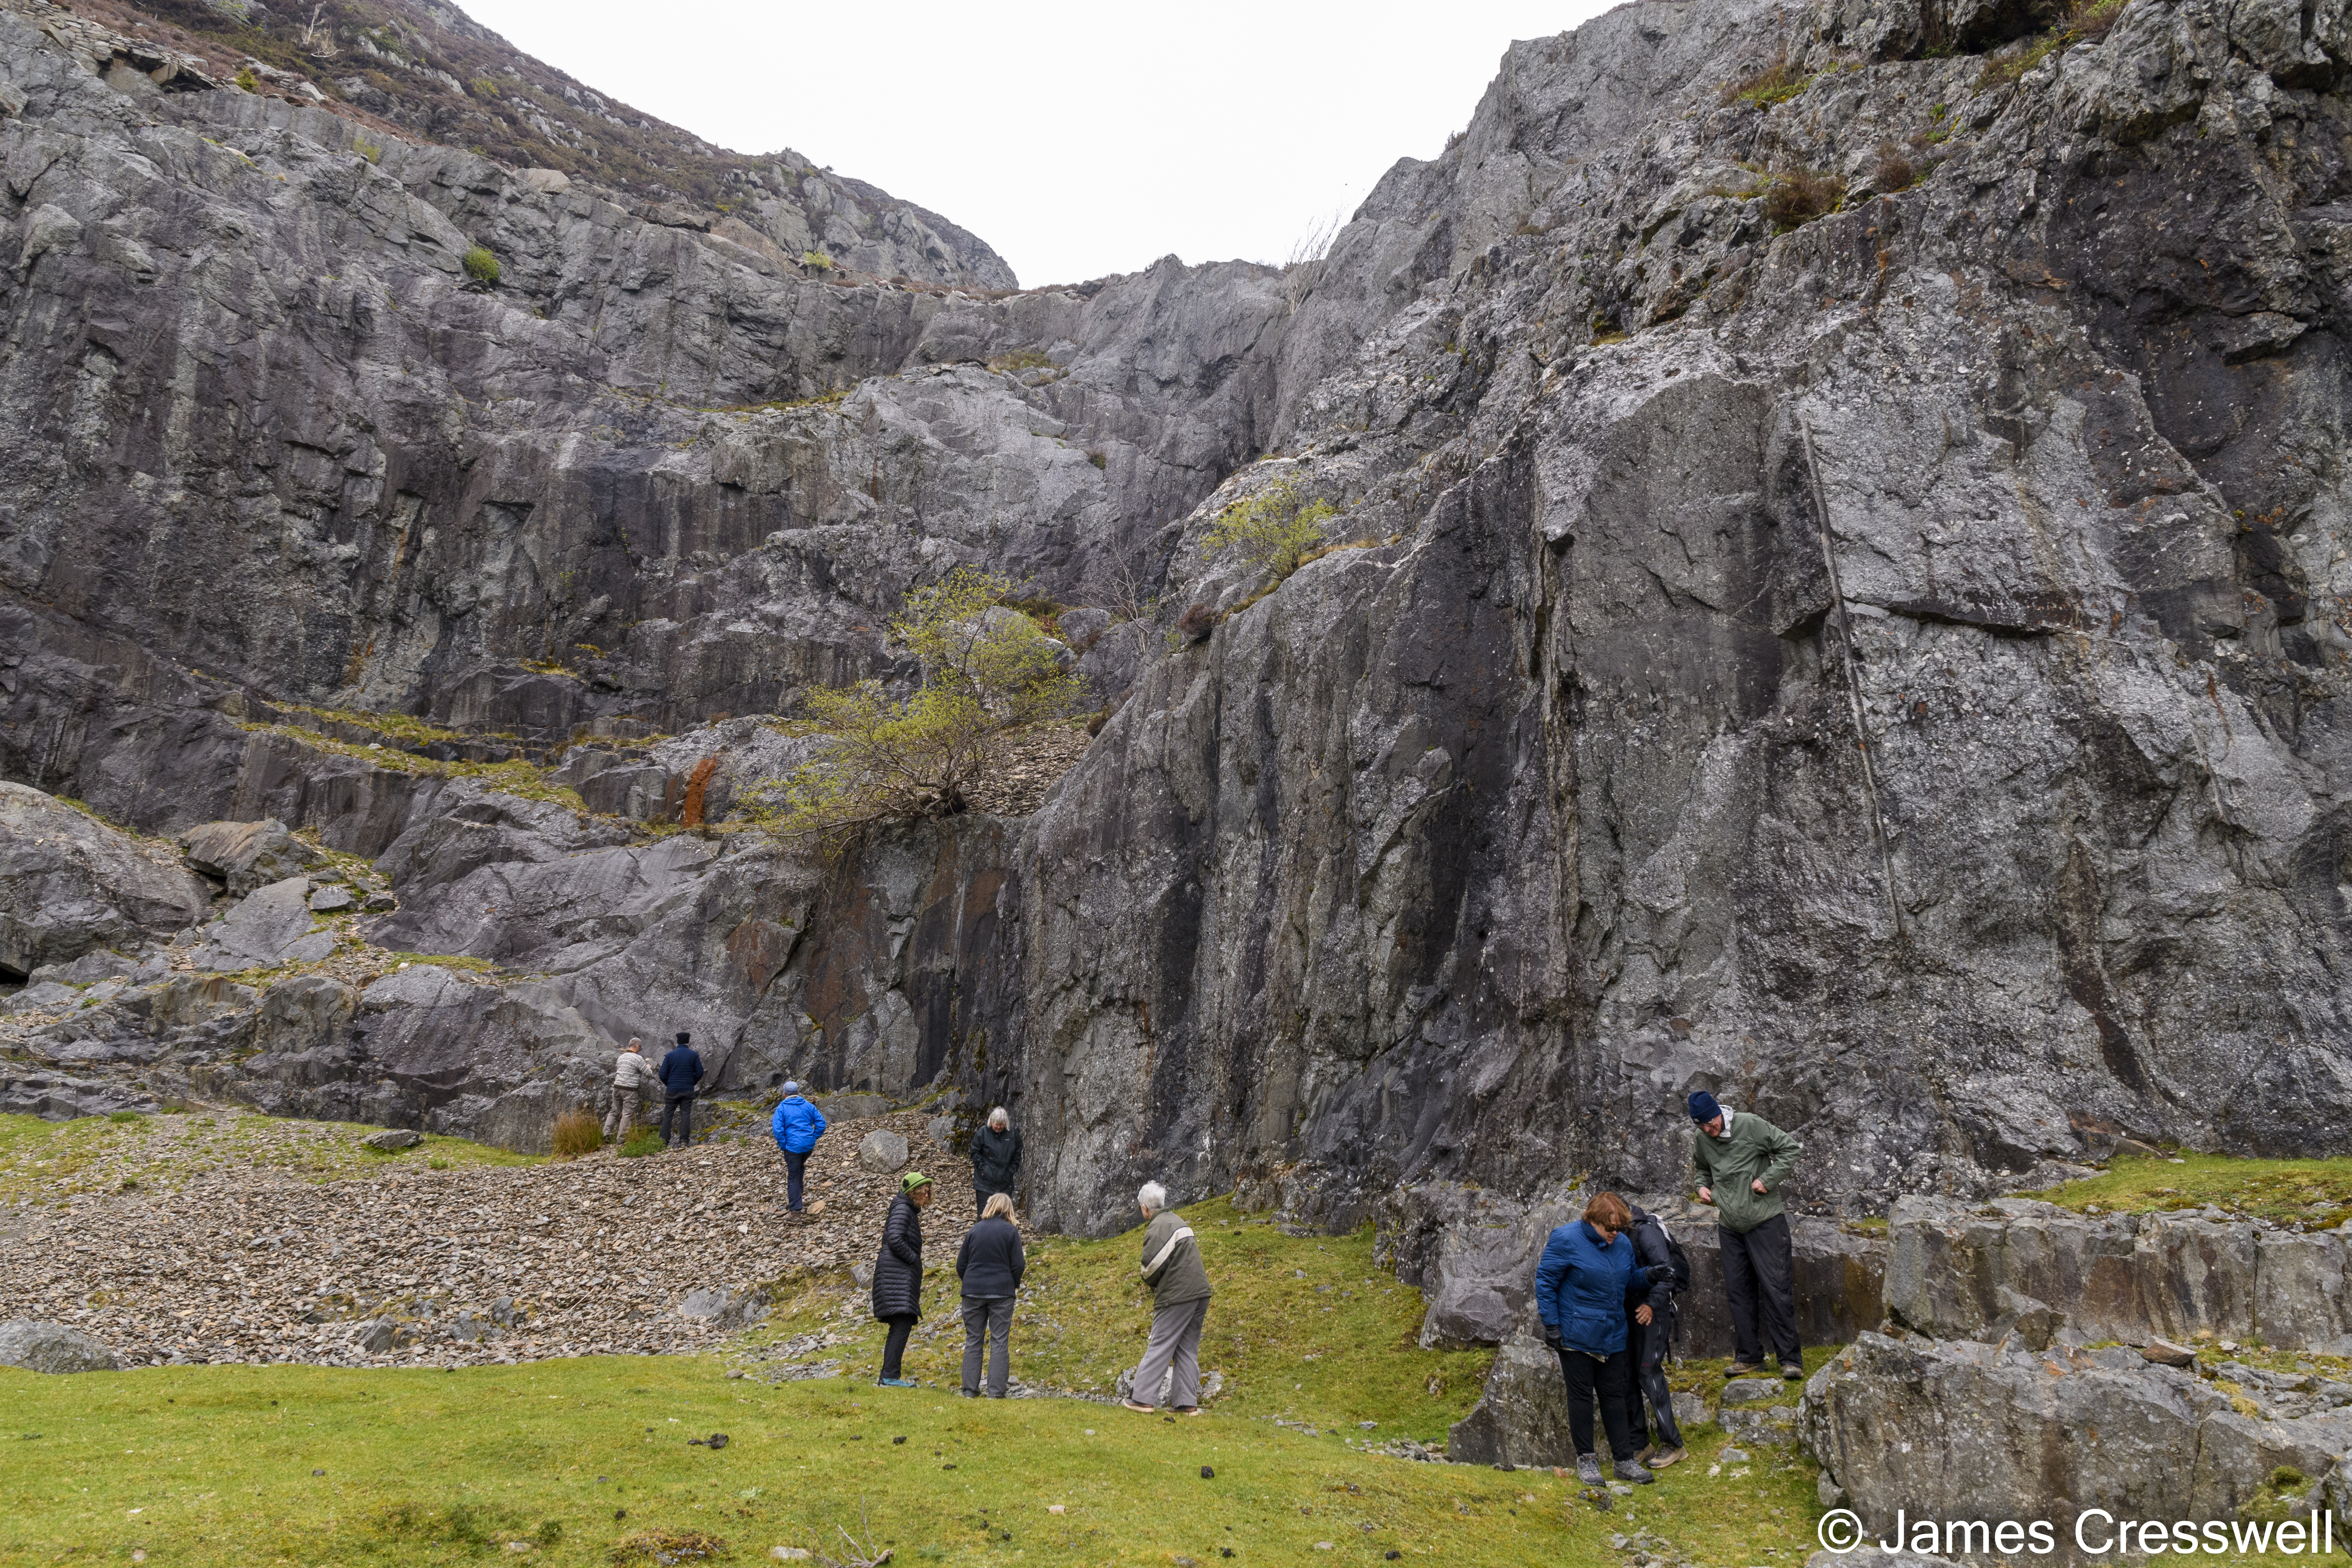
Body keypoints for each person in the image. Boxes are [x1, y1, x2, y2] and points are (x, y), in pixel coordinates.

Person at [1536, 1190, 1662, 1487]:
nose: (1614, 1234)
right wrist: (1552, 1325)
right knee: (1581, 1397)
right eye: (1609, 1229)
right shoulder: (1565, 1239)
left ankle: (1624, 1460)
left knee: (1615, 1396)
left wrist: (1649, 1276)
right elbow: (1545, 1282)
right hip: (1576, 1334)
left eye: (1619, 1229)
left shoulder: (1621, 1245)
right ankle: (1587, 1461)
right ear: (1592, 1221)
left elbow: (1628, 1281)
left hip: (1612, 1333)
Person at [1688, 1090, 1805, 1379]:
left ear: (1719, 1113)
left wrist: (1768, 1179)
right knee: (1739, 1293)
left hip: (1766, 1222)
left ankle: (1791, 1360)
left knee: (1777, 1290)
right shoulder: (1704, 1139)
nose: (1707, 1129)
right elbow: (1702, 1169)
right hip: (1730, 1226)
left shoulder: (1750, 1124)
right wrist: (1702, 1186)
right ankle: (1749, 1357)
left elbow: (1791, 1149)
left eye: (1709, 1123)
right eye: (1700, 1126)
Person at [1122, 1181, 1211, 1415]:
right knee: (1187, 1348)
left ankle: (1142, 1399)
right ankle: (1186, 1404)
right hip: (1201, 1293)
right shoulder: (1178, 1221)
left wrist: (1149, 1282)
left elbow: (1150, 1267)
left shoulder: (1157, 1226)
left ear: (1145, 1208)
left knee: (1160, 1344)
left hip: (1177, 1296)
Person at [1622, 1200, 1689, 1468]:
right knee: (1626, 1374)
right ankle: (1640, 1444)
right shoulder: (1618, 1234)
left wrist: (1651, 1304)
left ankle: (1674, 1444)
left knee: (1648, 1373)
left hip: (1655, 1311)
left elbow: (1667, 1273)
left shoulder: (1645, 1232)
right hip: (1631, 1312)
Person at [955, 1192, 1025, 1399]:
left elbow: (961, 1265)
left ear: (990, 1206)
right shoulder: (1011, 1232)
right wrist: (1012, 1283)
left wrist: (971, 1282)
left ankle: (969, 1390)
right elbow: (1018, 1265)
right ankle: (995, 1392)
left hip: (972, 1291)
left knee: (973, 1339)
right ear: (1008, 1210)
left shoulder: (974, 1230)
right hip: (1002, 1292)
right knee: (1000, 1341)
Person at [871, 1170, 932, 1387]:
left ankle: (888, 1376)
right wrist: (913, 1260)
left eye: (928, 1193)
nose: (927, 1197)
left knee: (900, 1323)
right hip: (896, 1275)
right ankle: (890, 1377)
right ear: (914, 1192)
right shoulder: (903, 1209)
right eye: (924, 1193)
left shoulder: (905, 1209)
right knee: (903, 1322)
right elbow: (895, 1239)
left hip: (895, 1275)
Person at [770, 1081, 827, 1214]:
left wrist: (784, 1146)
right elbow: (822, 1124)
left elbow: (778, 1130)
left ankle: (795, 1210)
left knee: (793, 1176)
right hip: (808, 1146)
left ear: (784, 1093)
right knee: (800, 1167)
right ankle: (798, 1193)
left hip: (793, 1148)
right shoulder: (808, 1106)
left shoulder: (782, 1108)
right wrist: (814, 1137)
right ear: (797, 1092)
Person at [603, 1037, 659, 1142]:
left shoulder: (621, 1057)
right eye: (640, 1048)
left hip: (617, 1087)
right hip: (629, 1089)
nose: (640, 1050)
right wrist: (649, 1069)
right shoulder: (637, 1058)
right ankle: (622, 1138)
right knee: (627, 1113)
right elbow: (648, 1075)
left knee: (614, 1111)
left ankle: (607, 1133)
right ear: (638, 1046)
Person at [658, 1031, 703, 1149]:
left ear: (677, 1041)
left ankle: (664, 1142)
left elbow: (662, 1074)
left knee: (668, 1114)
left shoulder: (670, 1055)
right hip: (687, 1090)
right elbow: (700, 1072)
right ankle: (684, 1141)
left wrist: (669, 1083)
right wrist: (692, 1082)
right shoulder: (693, 1055)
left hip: (672, 1089)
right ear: (688, 1041)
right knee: (686, 1114)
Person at [971, 1106, 1021, 1210]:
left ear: (1006, 1123)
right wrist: (984, 1171)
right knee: (984, 1215)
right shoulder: (983, 1133)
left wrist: (1011, 1171)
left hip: (1005, 1183)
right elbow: (974, 1152)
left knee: (1004, 1215)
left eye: (1002, 1124)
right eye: (997, 1124)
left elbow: (1018, 1154)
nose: (999, 1127)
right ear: (991, 1122)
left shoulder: (1013, 1135)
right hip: (985, 1183)